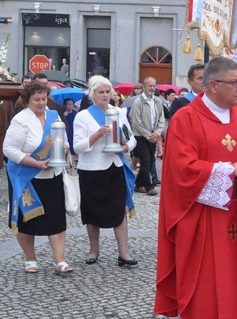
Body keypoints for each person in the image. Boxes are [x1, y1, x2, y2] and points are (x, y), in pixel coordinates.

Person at [155, 56, 237, 319]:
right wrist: (232, 170)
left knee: (235, 285)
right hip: (202, 220)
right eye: (235, 82)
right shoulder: (187, 119)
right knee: (207, 287)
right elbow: (182, 171)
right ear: (212, 85)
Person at [4, 81, 72, 275]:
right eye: (37, 100)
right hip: (27, 176)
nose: (42, 103)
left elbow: (63, 139)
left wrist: (64, 148)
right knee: (27, 220)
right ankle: (30, 258)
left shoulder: (53, 116)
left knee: (56, 218)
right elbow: (9, 150)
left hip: (52, 174)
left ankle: (59, 261)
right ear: (27, 100)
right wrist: (36, 164)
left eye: (44, 99)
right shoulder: (21, 120)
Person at [73, 75, 137, 267]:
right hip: (91, 170)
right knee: (91, 212)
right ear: (93, 94)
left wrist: (125, 148)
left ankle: (123, 253)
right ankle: (94, 250)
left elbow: (131, 139)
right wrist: (97, 135)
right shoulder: (83, 116)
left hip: (114, 168)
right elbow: (77, 147)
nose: (105, 95)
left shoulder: (118, 112)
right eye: (101, 92)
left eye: (108, 91)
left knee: (119, 210)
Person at [130, 77, 164, 196]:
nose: (152, 88)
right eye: (149, 86)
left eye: (154, 86)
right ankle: (149, 186)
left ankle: (138, 184)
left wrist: (157, 133)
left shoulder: (157, 101)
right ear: (144, 87)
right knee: (145, 160)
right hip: (140, 136)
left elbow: (161, 119)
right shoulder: (138, 102)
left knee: (149, 161)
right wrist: (147, 135)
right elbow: (136, 122)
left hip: (153, 135)